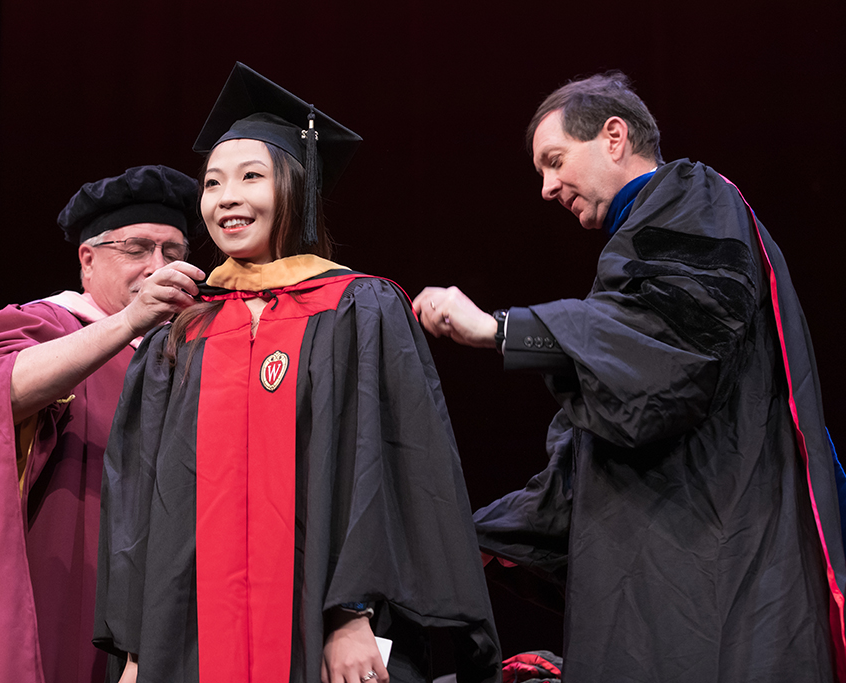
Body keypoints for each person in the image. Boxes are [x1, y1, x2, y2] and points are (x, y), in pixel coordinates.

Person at [412, 71, 846, 682]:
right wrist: (467, 536)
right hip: (658, 587)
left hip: (716, 579)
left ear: (614, 136)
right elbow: (585, 468)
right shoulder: (637, 256)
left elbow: (667, 354)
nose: (546, 187)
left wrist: (501, 330)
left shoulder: (694, 197)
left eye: (555, 160)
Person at [93, 63, 501, 683]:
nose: (226, 197)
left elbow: (387, 467)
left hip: (323, 628)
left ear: (295, 186)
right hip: (191, 637)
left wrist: (352, 613)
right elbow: (142, 502)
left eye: (250, 177)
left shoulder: (360, 309)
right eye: (212, 183)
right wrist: (135, 651)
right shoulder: (181, 331)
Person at [0, 165, 204, 683]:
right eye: (137, 249)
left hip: (168, 605)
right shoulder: (45, 325)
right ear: (88, 259)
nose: (158, 267)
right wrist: (129, 323)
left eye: (173, 253)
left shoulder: (191, 354)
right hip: (66, 589)